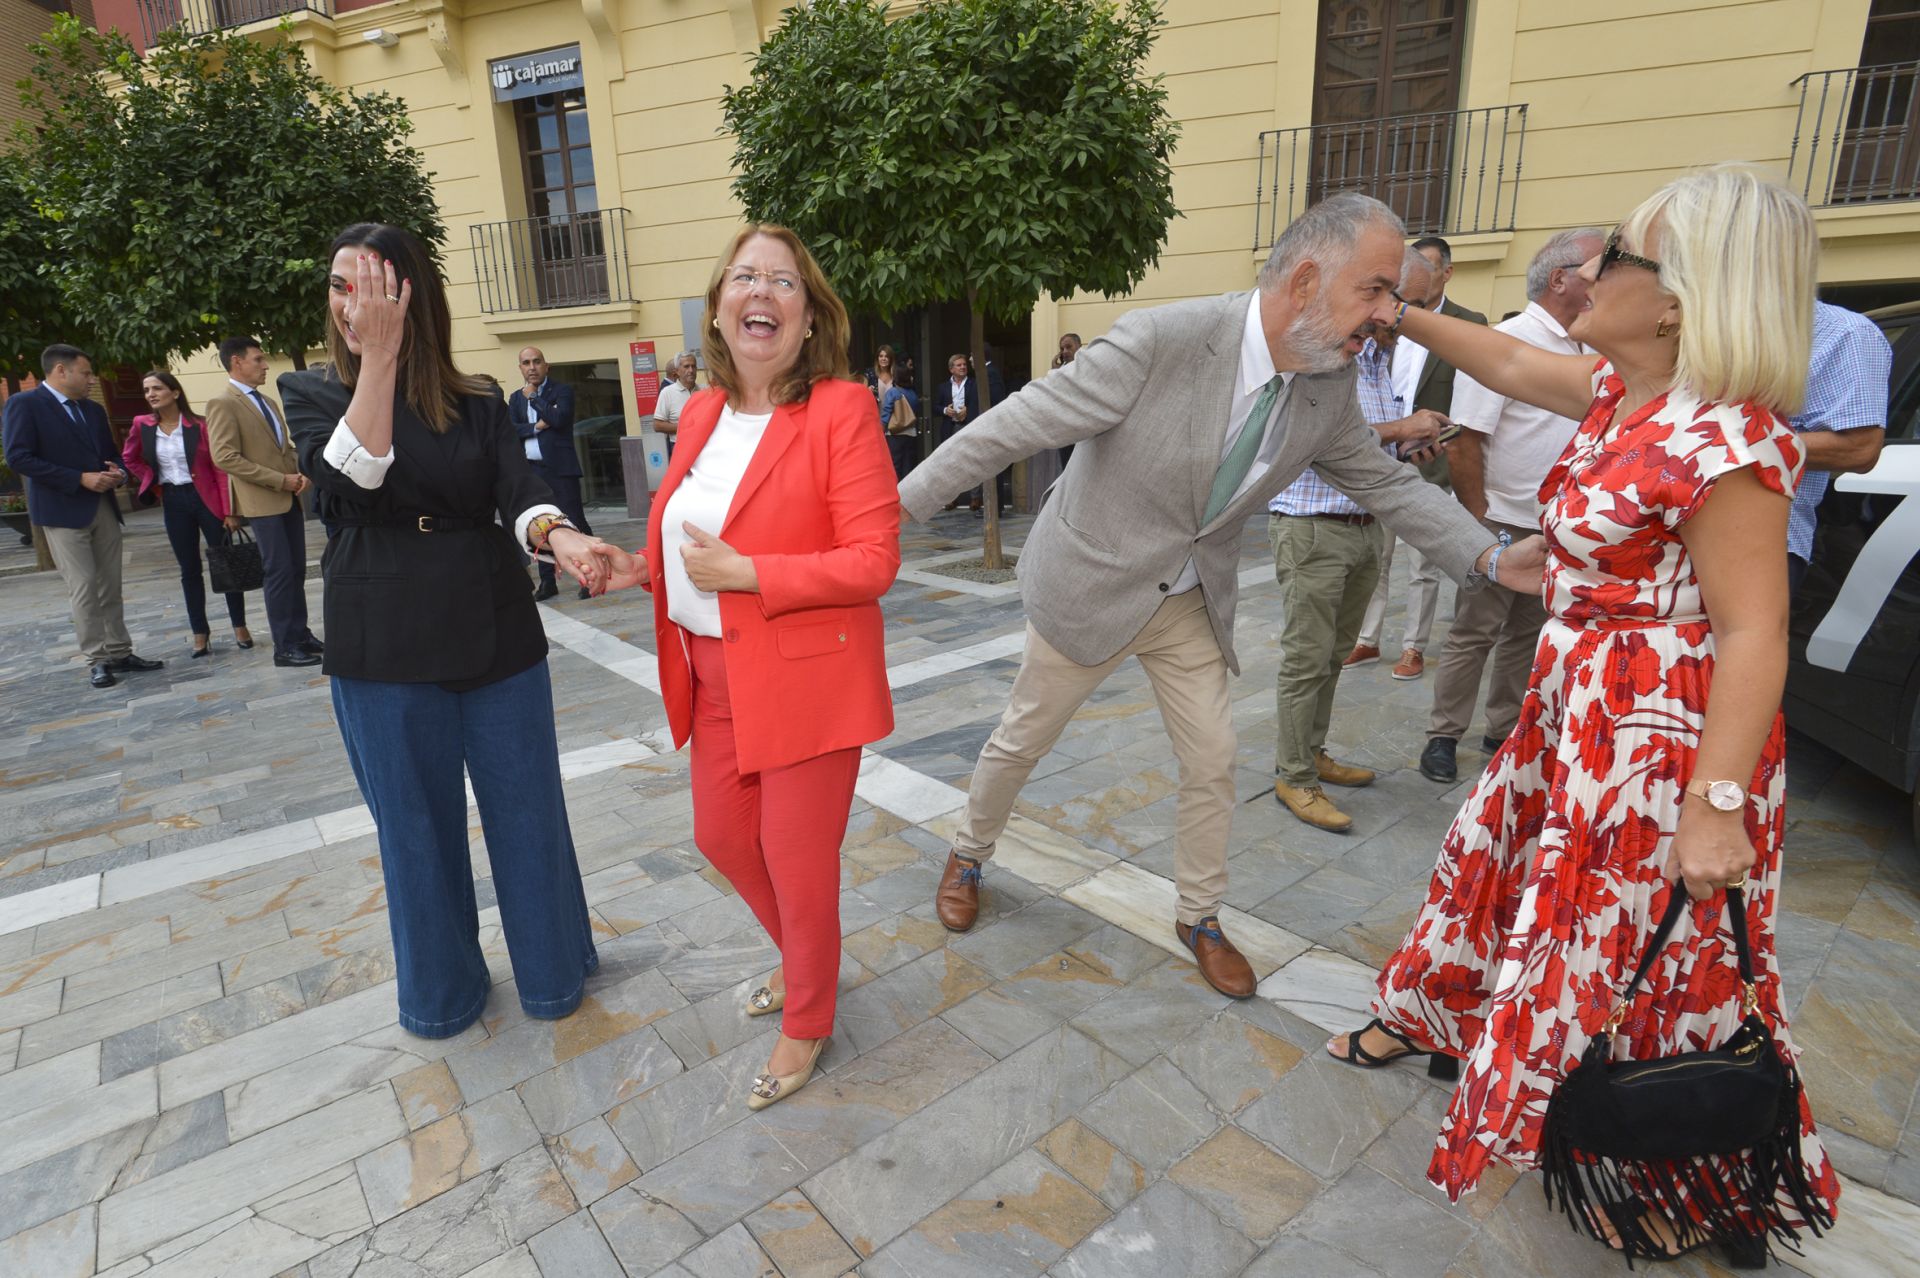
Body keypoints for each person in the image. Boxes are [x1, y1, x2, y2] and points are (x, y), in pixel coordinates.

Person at [1330, 167, 1840, 1264]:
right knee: (1498, 870)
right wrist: (1396, 307)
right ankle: (1441, 1019)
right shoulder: (1625, 392)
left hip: (1661, 742)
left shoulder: (1728, 443)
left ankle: (1687, 1173)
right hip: (1581, 709)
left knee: (1649, 958)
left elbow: (1755, 632)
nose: (1587, 270)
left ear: (1678, 297)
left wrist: (1715, 806)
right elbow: (1510, 359)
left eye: (1618, 254)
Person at [897, 192, 1544, 1000]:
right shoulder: (1161, 340)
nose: (1390, 314)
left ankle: (1199, 914)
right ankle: (968, 852)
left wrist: (1488, 558)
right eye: (1376, 290)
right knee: (1021, 741)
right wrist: (890, 511)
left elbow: (1385, 484)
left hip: (1188, 599)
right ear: (1307, 281)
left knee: (1213, 758)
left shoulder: (1327, 382)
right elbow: (1014, 426)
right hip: (1093, 581)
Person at [594, 224, 900, 1109]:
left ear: (809, 320)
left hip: (805, 680)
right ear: (720, 311)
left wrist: (752, 575)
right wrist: (642, 566)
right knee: (723, 838)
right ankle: (814, 965)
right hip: (712, 677)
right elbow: (693, 538)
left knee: (796, 861)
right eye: (744, 278)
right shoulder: (699, 413)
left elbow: (874, 559)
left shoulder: (840, 409)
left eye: (784, 282)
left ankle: (808, 1016)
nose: (761, 292)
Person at [280, 222, 610, 1039]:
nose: (352, 302)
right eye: (338, 285)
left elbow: (519, 485)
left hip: (495, 623)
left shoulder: (478, 399)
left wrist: (559, 536)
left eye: (373, 284)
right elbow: (349, 485)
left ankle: (552, 972)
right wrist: (379, 361)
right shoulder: (313, 394)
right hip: (382, 643)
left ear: (413, 294)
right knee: (415, 832)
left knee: (528, 810)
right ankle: (445, 995)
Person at [1418, 227, 1605, 784]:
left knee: (1527, 635)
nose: (1608, 283)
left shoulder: (1588, 348)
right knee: (1473, 632)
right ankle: (1443, 736)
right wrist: (1478, 524)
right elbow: (1466, 439)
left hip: (1555, 524)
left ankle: (1502, 733)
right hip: (1499, 519)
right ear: (1560, 279)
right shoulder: (1509, 340)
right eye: (1599, 271)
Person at [1268, 249, 1443, 833]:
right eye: (1400, 305)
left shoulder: (1370, 356)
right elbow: (1313, 439)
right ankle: (1293, 775)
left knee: (1332, 658)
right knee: (1306, 658)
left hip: (1362, 526)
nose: (1401, 320)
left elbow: (1365, 446)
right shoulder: (1318, 349)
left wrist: (1405, 444)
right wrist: (1402, 428)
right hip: (1313, 528)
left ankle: (1312, 754)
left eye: (1409, 306)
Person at [1351, 235, 1488, 680]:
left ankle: (1413, 646)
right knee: (1378, 559)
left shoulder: (1467, 323)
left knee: (1422, 565)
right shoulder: (1379, 324)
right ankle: (1367, 640)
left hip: (1433, 461)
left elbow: (1471, 398)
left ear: (1444, 273)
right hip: (1385, 456)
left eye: (1423, 271)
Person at [1, 344, 162, 689]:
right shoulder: (24, 404)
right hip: (62, 511)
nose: (91, 380)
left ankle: (120, 651)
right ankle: (97, 659)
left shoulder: (91, 410)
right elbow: (18, 457)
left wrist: (118, 472)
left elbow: (111, 455)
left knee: (111, 584)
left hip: (103, 506)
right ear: (61, 370)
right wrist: (78, 478)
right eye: (86, 373)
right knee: (84, 587)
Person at [206, 335, 324, 669]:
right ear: (236, 362)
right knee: (279, 571)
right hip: (262, 501)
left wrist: (301, 471)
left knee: (295, 569)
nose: (265, 365)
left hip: (288, 497)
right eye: (257, 359)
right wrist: (279, 480)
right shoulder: (223, 402)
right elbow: (225, 457)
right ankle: (284, 646)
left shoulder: (267, 402)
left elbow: (281, 448)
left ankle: (300, 634)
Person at [121, 371, 252, 657]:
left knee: (225, 563)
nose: (151, 394)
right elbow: (129, 457)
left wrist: (229, 511)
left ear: (175, 392)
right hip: (173, 499)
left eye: (157, 388)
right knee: (189, 570)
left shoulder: (200, 425)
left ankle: (239, 626)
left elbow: (219, 468)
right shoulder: (142, 425)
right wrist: (149, 479)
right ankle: (200, 633)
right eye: (146, 390)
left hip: (206, 499)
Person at [1787, 302, 1889, 594]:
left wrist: (1718, 442)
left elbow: (1859, 449)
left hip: (1755, 544)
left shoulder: (1843, 332)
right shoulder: (1691, 327)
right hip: (1663, 535)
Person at [509, 347, 593, 601]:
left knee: (574, 522)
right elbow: (512, 430)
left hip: (561, 470)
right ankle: (547, 581)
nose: (532, 367)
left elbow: (559, 418)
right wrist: (536, 426)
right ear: (520, 368)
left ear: (546, 366)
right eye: (526, 363)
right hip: (532, 471)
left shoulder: (562, 391)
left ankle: (588, 577)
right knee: (540, 526)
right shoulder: (515, 398)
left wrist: (535, 398)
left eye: (537, 362)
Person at [865, 344, 920, 480]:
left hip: (894, 422)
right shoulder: (870, 374)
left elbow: (907, 396)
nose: (883, 359)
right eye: (881, 356)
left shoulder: (898, 373)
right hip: (877, 419)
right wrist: (867, 392)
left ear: (891, 359)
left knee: (895, 461)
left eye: (886, 356)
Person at [938, 352, 985, 511]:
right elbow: (935, 407)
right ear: (951, 369)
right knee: (950, 464)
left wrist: (969, 410)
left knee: (972, 461)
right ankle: (951, 498)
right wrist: (945, 410)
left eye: (964, 364)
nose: (963, 367)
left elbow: (982, 402)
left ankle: (975, 498)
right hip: (950, 428)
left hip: (968, 425)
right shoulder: (943, 387)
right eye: (959, 365)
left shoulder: (974, 383)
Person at [654, 350, 699, 462]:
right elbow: (657, 425)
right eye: (686, 366)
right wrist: (686, 427)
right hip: (680, 448)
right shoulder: (667, 393)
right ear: (677, 371)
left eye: (693, 366)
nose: (691, 370)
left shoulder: (704, 390)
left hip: (704, 447)